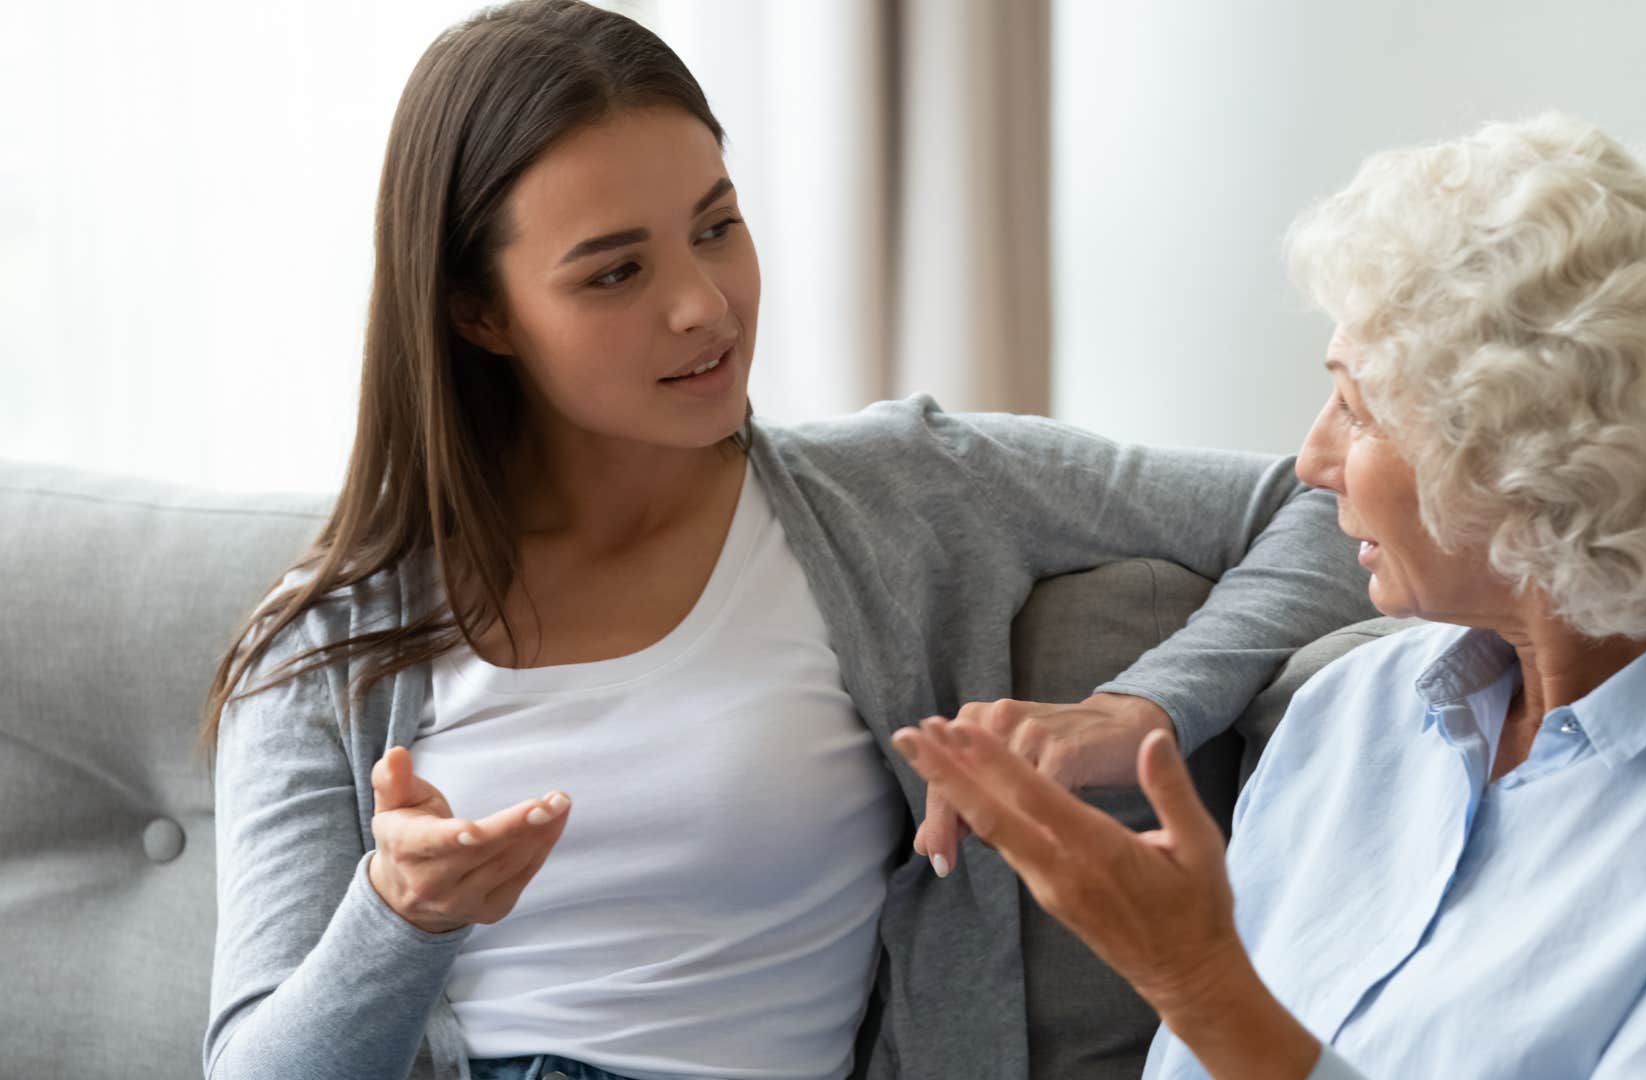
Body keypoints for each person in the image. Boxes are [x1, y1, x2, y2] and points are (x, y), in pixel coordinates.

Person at [199, 3, 1375, 1079]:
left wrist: (1146, 707)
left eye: (717, 227)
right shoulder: (325, 643)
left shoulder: (905, 488)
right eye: (616, 271)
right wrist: (400, 916)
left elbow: (1329, 500)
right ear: (479, 313)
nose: (703, 304)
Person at [891, 113, 1646, 1079]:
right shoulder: (1352, 713)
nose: (1313, 459)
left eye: (1357, 406)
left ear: (1532, 459)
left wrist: (1198, 982)